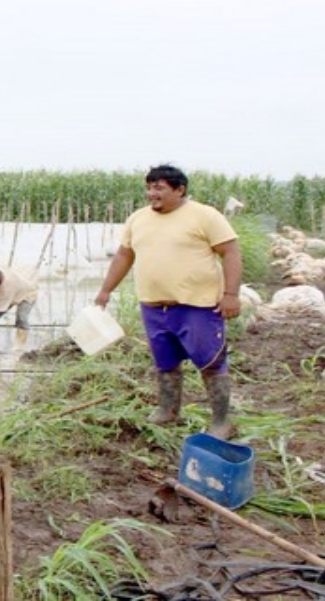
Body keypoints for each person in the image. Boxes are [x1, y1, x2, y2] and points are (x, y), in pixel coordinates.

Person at [94, 164, 242, 439]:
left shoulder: (205, 216)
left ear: (180, 189)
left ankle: (221, 421)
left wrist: (231, 295)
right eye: (149, 188)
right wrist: (106, 290)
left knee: (211, 362)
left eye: (159, 188)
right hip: (154, 306)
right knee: (165, 362)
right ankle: (168, 410)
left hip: (197, 307)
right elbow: (124, 256)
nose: (152, 194)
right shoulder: (138, 219)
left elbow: (230, 252)